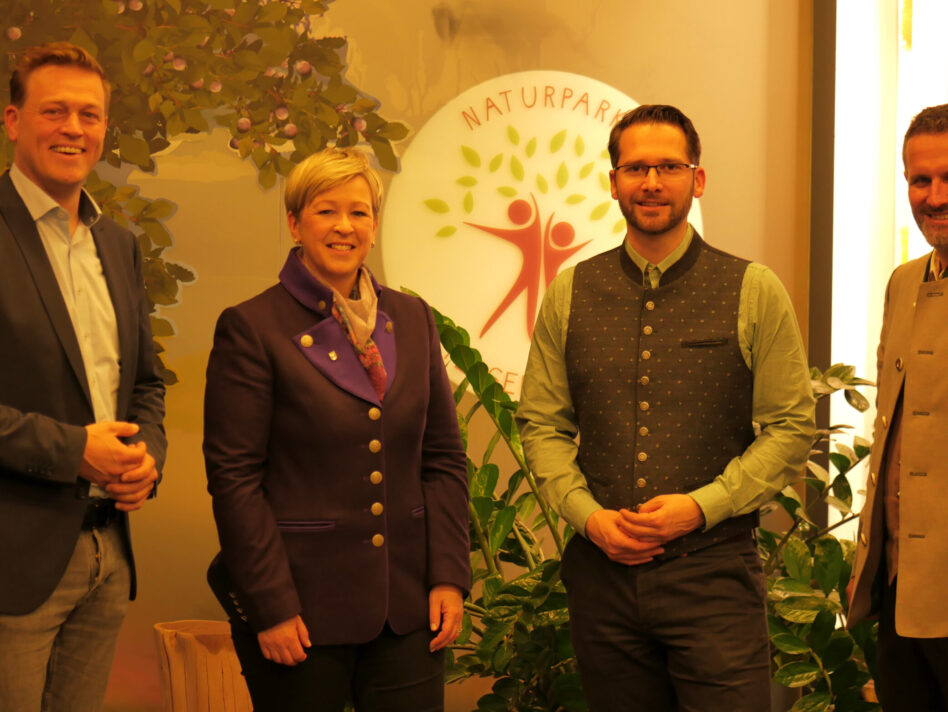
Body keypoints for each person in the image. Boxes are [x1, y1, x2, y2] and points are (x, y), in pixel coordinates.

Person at [516, 104, 815, 712]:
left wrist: (701, 508)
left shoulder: (753, 287)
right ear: (614, 182)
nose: (651, 182)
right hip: (601, 580)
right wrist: (588, 517)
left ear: (697, 179)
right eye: (636, 168)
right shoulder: (571, 291)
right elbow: (541, 424)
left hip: (715, 579)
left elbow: (790, 428)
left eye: (669, 167)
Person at [203, 147, 470, 712]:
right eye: (326, 211)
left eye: (360, 212)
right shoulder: (251, 327)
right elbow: (234, 479)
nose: (345, 226)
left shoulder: (414, 319)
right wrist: (270, 604)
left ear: (375, 225)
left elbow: (442, 459)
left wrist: (448, 575)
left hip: (408, 609)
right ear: (295, 223)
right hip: (300, 613)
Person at [0, 42, 167, 710]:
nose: (74, 128)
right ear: (13, 120)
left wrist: (146, 456)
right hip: (13, 568)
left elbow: (148, 384)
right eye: (55, 111)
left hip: (108, 555)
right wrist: (76, 451)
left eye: (89, 115)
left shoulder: (119, 245)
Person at [848, 103, 948, 711]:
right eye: (920, 179)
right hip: (901, 592)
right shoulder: (903, 281)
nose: (935, 196)